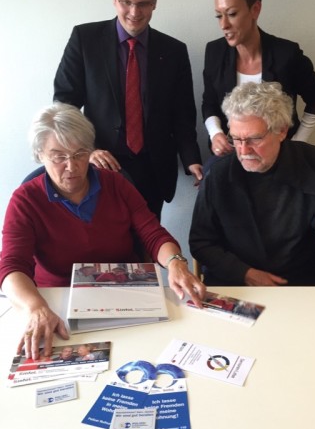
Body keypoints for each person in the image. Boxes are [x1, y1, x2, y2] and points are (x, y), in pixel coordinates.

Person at [0, 103, 206, 360]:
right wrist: (35, 307)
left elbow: (153, 234)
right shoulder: (25, 200)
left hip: (124, 294)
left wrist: (176, 263)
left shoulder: (116, 184)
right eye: (58, 156)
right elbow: (11, 267)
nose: (71, 166)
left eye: (79, 154)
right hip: (56, 303)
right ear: (40, 154)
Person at [53, 0, 202, 219]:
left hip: (153, 170)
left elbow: (182, 115)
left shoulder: (174, 51)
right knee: (105, 247)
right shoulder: (84, 39)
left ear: (155, 2)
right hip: (100, 165)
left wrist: (192, 159)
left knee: (148, 247)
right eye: (126, 2)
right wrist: (87, 151)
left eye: (143, 3)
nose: (134, 11)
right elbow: (64, 106)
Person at [189, 81, 315, 286]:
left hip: (307, 284)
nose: (244, 150)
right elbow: (201, 242)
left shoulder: (314, 161)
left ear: (281, 131)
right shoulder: (219, 173)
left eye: (254, 139)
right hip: (240, 284)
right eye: (236, 138)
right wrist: (245, 273)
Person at [202, 0, 315, 158]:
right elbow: (209, 103)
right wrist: (216, 134)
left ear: (255, 9)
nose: (223, 25)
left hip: (279, 162)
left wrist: (297, 144)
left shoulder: (287, 54)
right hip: (229, 159)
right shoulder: (214, 52)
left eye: (232, 13)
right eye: (219, 15)